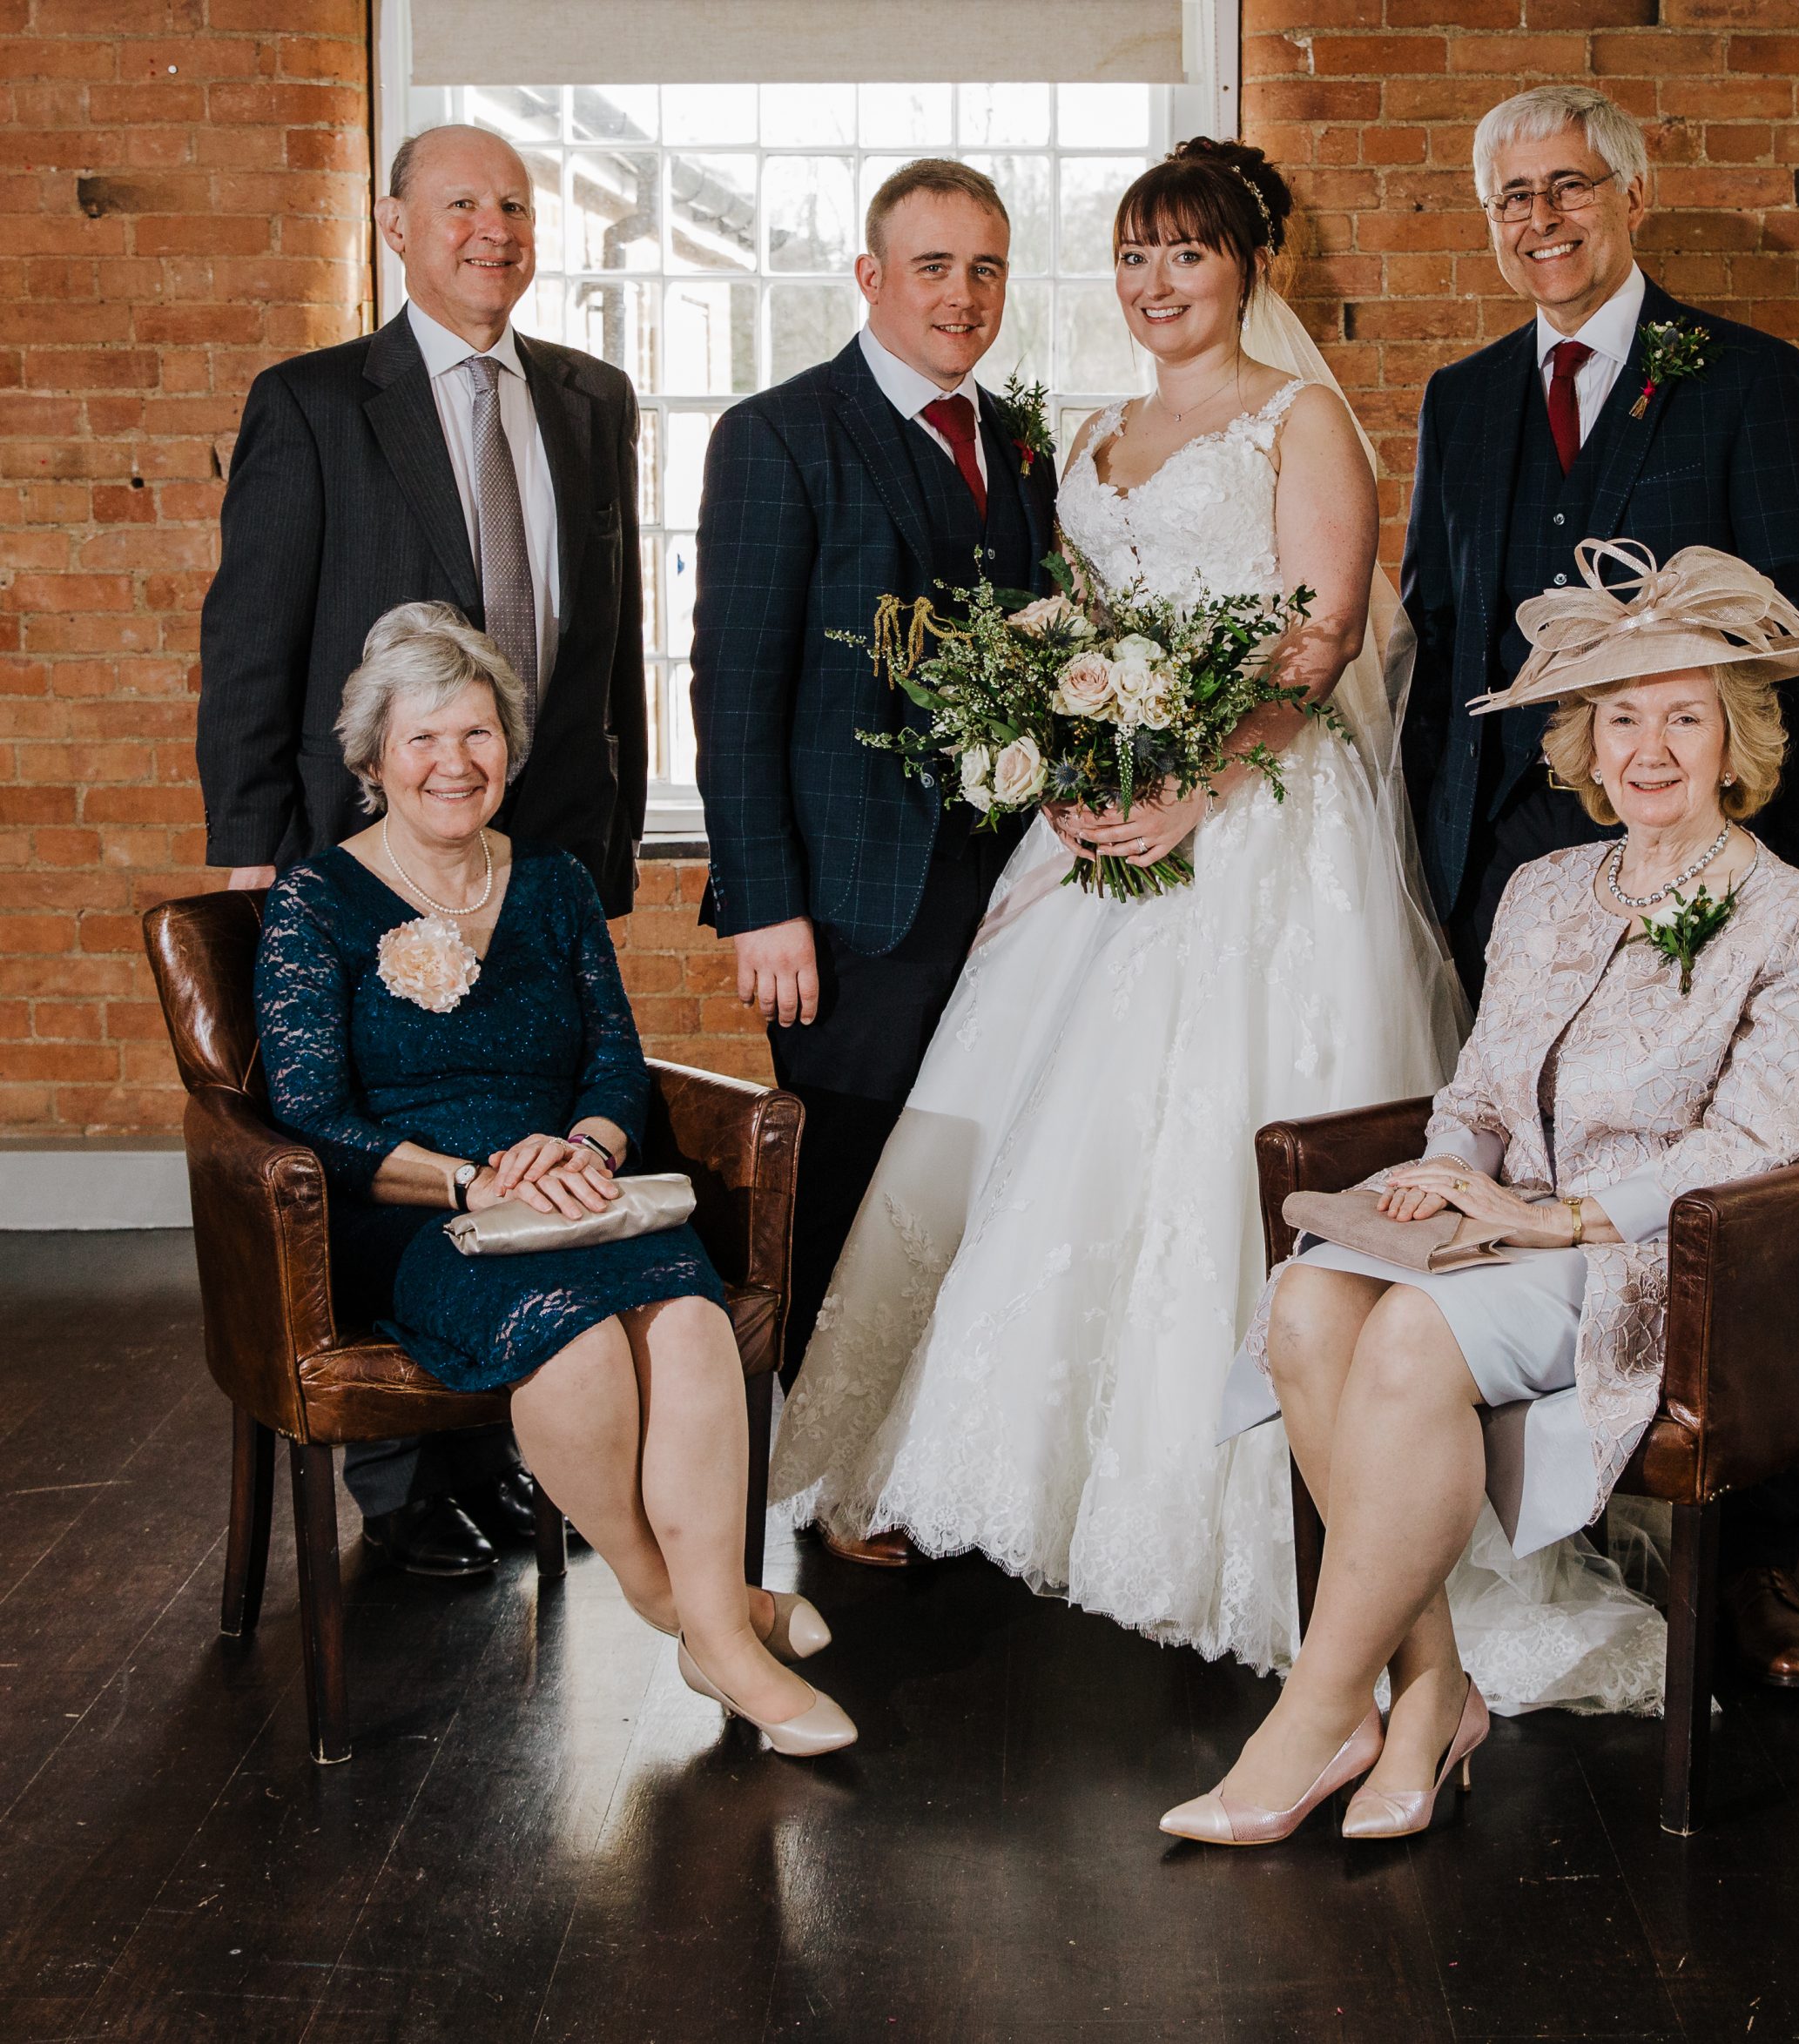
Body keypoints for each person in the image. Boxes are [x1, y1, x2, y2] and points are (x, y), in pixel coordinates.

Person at [764, 140, 1480, 1681]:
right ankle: (1004, 1470)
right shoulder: (1081, 437)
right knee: (1040, 1139)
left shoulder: (1301, 422)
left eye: (1189, 254)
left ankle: (1236, 1507)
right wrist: (1068, 766)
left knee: (1213, 1133)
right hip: (1099, 828)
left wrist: (1194, 791)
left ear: (1247, 270)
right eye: (1135, 256)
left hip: (1261, 827)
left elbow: (1321, 637)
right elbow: (1065, 635)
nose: (1158, 284)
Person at [1162, 541, 1799, 1846]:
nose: (1650, 750)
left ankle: (1318, 1712)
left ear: (1734, 742)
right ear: (1589, 746)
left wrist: (1563, 1219)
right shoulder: (1541, 891)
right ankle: (1433, 1693)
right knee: (1308, 1303)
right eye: (1622, 720)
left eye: (1684, 718)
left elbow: (1763, 1141)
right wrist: (1449, 1171)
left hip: (1651, 1259)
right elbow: (1481, 1092)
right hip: (1503, 1228)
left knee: (1409, 1336)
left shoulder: (1797, 919)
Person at [1400, 83, 1799, 1685]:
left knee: (1719, 1189)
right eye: (1512, 197)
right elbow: (1442, 640)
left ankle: (1752, 1555)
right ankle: (1548, 1522)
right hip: (1512, 862)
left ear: (1631, 197)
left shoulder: (1744, 379)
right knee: (1536, 1144)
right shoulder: (1464, 400)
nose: (1540, 219)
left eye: (1568, 187)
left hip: (1701, 844)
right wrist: (1429, 858)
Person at [253, 603, 852, 1758]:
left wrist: (586, 1146)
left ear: (508, 749)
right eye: (424, 738)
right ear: (375, 758)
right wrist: (471, 1181)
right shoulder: (315, 902)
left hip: (575, 1185)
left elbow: (614, 1058)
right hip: (424, 1211)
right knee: (574, 1342)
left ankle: (713, 1623)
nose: (454, 763)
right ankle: (698, 1618)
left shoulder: (557, 883)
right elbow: (311, 1116)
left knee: (689, 1321)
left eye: (477, 734)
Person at [197, 124, 650, 1578]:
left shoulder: (592, 399)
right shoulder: (315, 403)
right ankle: (398, 1488)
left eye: (513, 203)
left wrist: (611, 832)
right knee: (393, 1130)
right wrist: (253, 856)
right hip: (363, 846)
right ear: (396, 226)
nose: (492, 227)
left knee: (522, 1115)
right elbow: (250, 642)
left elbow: (610, 642)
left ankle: (506, 1441)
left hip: (538, 847)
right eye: (459, 203)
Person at [689, 161, 1059, 1570]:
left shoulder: (1017, 443)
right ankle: (835, 1479)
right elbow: (734, 686)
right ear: (870, 277)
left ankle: (944, 1458)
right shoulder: (780, 435)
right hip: (846, 901)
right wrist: (765, 903)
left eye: (986, 268)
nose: (962, 295)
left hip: (1009, 889)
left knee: (972, 1182)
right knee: (849, 1185)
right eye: (933, 266)